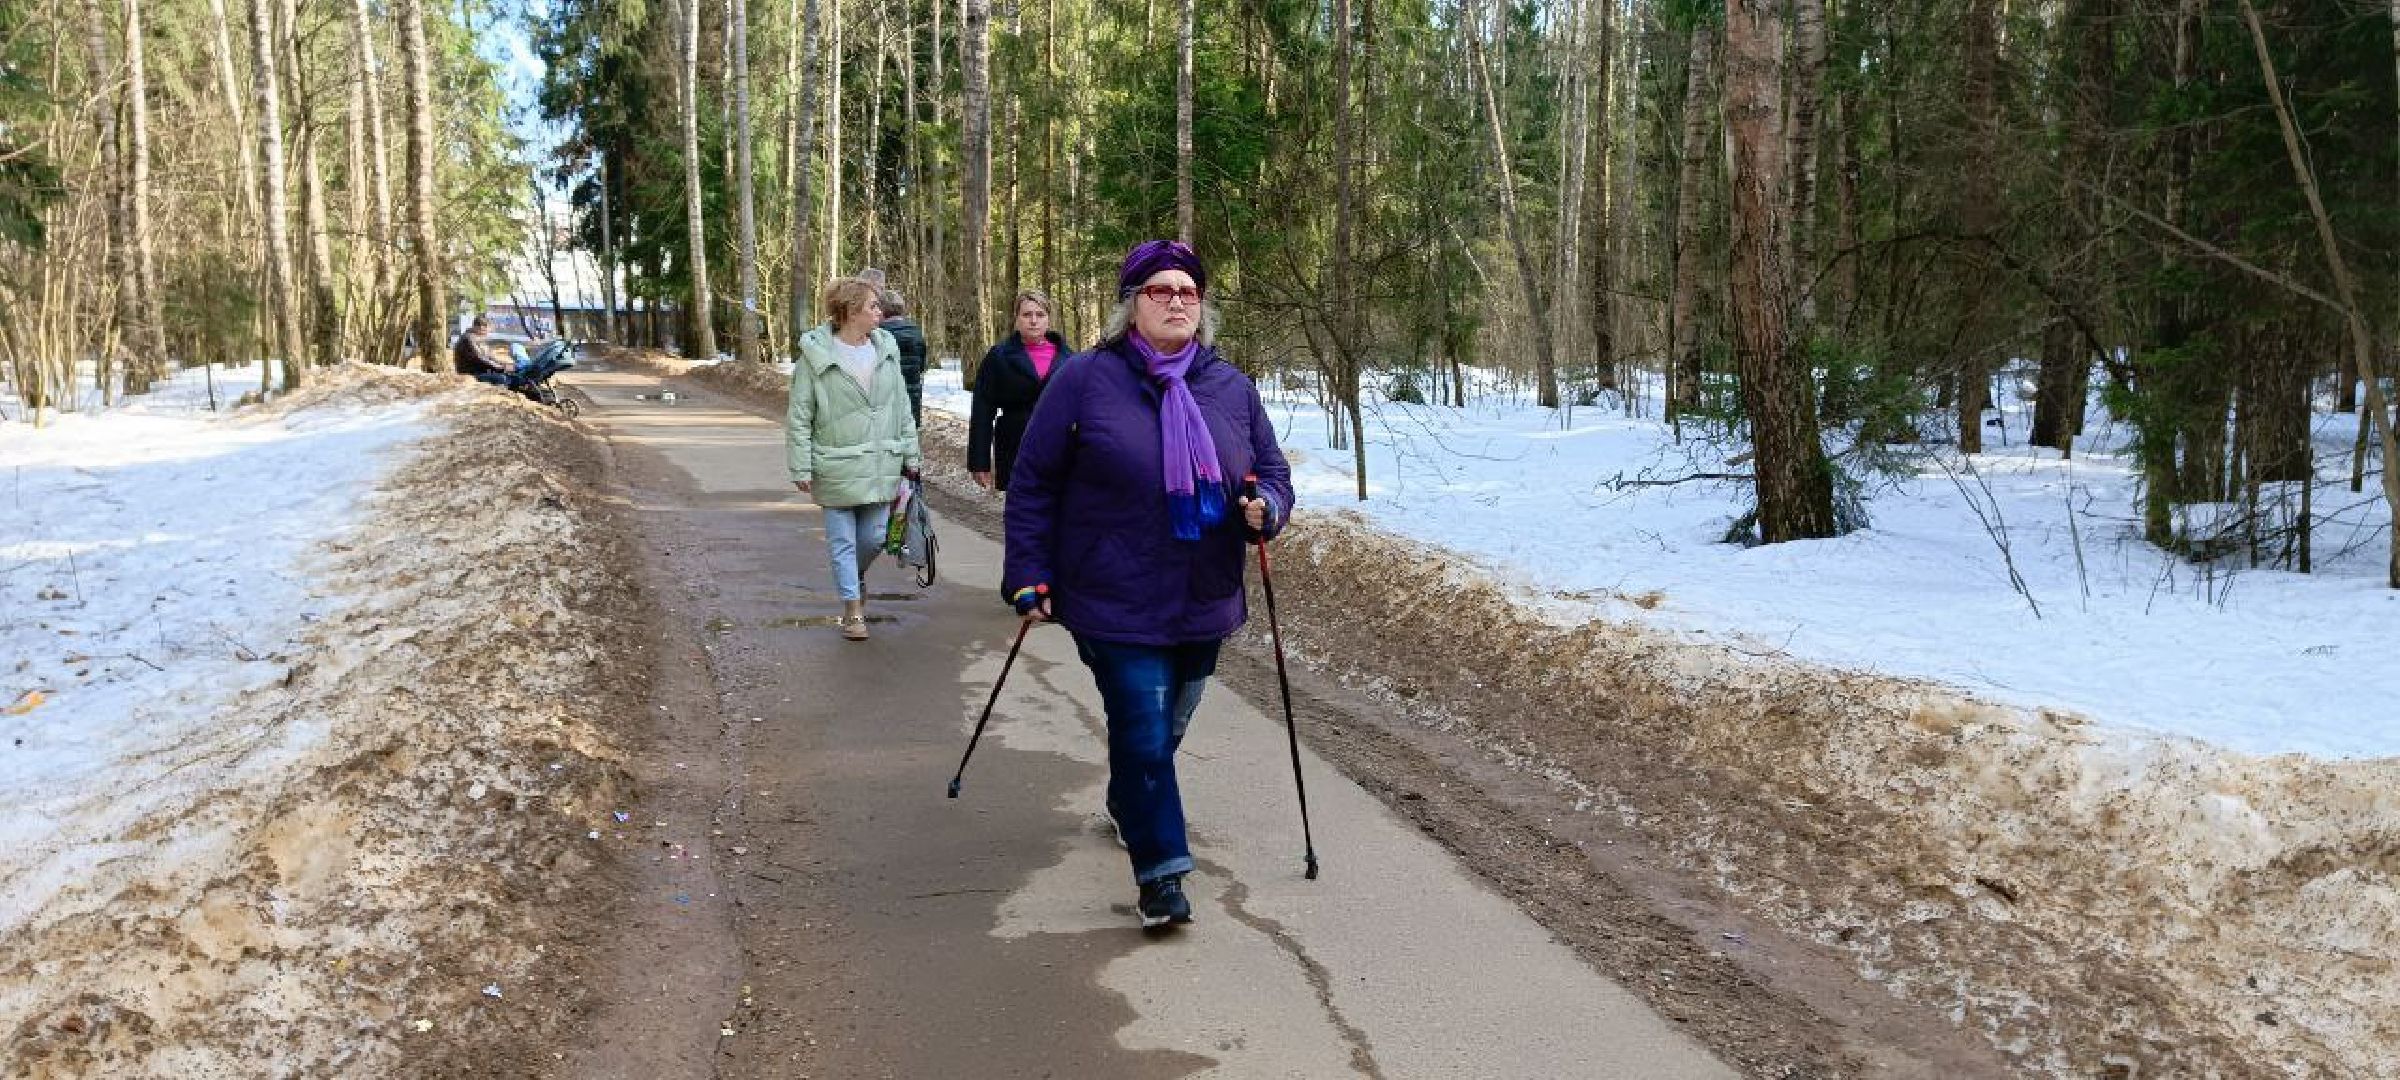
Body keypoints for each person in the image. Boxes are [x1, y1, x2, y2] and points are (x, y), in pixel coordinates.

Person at [1001, 241, 1294, 929]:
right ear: (1131, 305)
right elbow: (1035, 481)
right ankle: (1162, 875)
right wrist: (1029, 574)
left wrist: (1266, 508)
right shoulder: (1085, 379)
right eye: (1160, 290)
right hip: (1112, 592)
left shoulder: (1231, 388)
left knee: (1166, 726)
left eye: (1188, 292)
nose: (1176, 302)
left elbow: (1274, 473)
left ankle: (1127, 795)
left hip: (1202, 593)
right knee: (1142, 724)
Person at [788, 278, 924, 641]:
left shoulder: (886, 349)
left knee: (877, 536)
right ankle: (852, 609)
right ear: (850, 311)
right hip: (835, 464)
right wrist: (800, 465)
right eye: (873, 306)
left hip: (881, 463)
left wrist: (911, 454)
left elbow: (902, 409)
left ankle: (853, 576)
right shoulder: (816, 356)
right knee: (842, 542)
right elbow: (800, 416)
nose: (880, 312)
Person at [967, 290, 1071, 492]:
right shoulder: (999, 357)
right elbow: (982, 411)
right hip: (1014, 449)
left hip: (1060, 450)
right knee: (1023, 509)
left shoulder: (1068, 359)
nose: (1033, 321)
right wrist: (979, 462)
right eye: (1027, 314)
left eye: (1040, 314)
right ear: (1016, 318)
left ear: (1048, 319)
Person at [877, 288, 930, 422]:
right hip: (912, 398)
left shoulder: (878, 335)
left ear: (881, 310)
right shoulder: (916, 333)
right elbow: (921, 366)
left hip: (886, 400)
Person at [453, 315, 512, 384]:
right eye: (488, 328)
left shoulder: (477, 338)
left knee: (512, 376)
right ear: (481, 327)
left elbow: (489, 356)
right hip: (470, 373)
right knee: (502, 378)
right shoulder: (469, 339)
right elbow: (480, 358)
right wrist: (500, 368)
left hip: (479, 370)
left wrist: (503, 364)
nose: (489, 331)